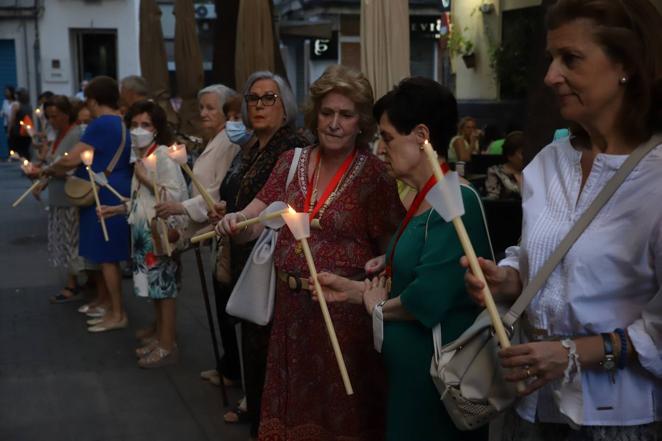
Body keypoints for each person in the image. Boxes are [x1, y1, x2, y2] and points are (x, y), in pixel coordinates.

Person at [463, 1, 662, 439]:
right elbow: (541, 253)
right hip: (533, 406)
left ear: (627, 64)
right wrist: (509, 277)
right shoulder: (552, 161)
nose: (551, 76)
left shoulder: (657, 179)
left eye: (570, 59)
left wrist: (572, 354)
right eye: (551, 59)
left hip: (619, 417)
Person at [216, 65, 404, 441]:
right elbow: (254, 219)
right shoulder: (291, 163)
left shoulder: (374, 175)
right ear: (315, 113)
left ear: (360, 122)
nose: (334, 123)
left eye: (346, 115)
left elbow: (392, 253)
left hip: (347, 324)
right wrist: (234, 223)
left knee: (343, 420)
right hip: (289, 317)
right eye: (327, 112)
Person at [313, 77, 491, 441]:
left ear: (421, 136)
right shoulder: (427, 196)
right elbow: (407, 275)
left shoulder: (456, 200)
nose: (381, 147)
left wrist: (375, 308)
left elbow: (428, 296)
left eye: (388, 137)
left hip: (437, 383)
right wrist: (353, 290)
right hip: (414, 377)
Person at [208, 71, 309, 436]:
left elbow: (274, 203)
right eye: (254, 98)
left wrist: (243, 214)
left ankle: (268, 416)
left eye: (270, 98)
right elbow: (241, 196)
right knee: (251, 337)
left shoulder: (293, 146)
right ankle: (258, 408)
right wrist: (225, 208)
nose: (260, 105)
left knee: (266, 342)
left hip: (271, 260)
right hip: (241, 252)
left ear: (286, 107)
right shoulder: (250, 144)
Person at [98, 100, 189, 367]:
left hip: (159, 232)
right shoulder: (140, 155)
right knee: (156, 290)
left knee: (164, 289)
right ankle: (161, 336)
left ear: (157, 129)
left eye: (145, 125)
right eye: (135, 124)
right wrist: (116, 208)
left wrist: (147, 178)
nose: (139, 129)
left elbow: (174, 195)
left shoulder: (162, 155)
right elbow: (141, 199)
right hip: (144, 232)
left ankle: (167, 345)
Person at [45, 76, 132, 332]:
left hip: (103, 194)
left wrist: (49, 169)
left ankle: (117, 313)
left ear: (93, 101)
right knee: (110, 257)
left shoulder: (100, 124)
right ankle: (110, 308)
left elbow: (72, 159)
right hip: (119, 189)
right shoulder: (122, 123)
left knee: (106, 258)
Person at [32, 96, 96, 303]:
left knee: (72, 243)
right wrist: (44, 180)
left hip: (71, 197)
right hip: (59, 196)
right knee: (67, 242)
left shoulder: (76, 134)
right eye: (49, 116)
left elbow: (69, 164)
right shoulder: (60, 134)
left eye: (55, 116)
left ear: (66, 115)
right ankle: (82, 281)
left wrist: (47, 172)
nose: (51, 120)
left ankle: (73, 283)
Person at [484, 131, 525, 199]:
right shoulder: (495, 172)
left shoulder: (533, 171)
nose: (527, 156)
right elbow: (492, 200)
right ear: (510, 155)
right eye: (523, 153)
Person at [8, 87, 33, 160]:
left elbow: (12, 119)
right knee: (25, 150)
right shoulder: (29, 106)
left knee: (18, 150)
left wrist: (9, 131)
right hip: (27, 131)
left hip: (17, 131)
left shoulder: (16, 105)